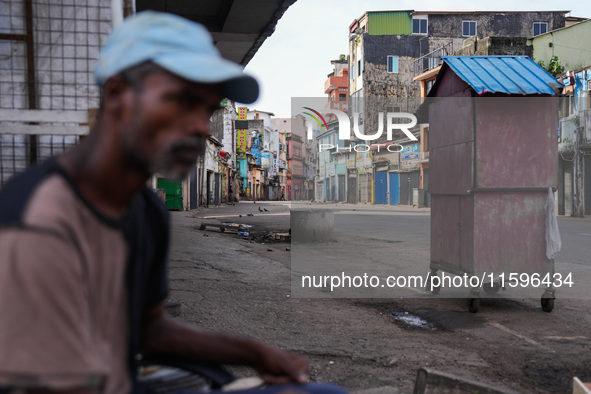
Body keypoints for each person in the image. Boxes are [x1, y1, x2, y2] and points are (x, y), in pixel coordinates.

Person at [0, 11, 346, 394]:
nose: (199, 126)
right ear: (117, 94)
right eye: (180, 100)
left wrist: (250, 351)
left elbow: (147, 327)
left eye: (207, 109)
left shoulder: (144, 209)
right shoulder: (38, 226)